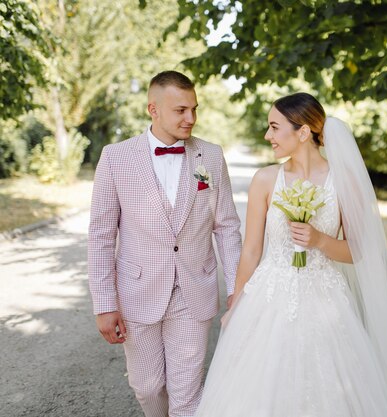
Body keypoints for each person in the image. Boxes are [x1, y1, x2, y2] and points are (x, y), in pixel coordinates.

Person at [194, 93, 387, 417]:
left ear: (303, 132)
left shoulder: (343, 181)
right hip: (268, 298)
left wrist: (319, 240)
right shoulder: (265, 180)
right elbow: (250, 251)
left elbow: (358, 251)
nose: (268, 136)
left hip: (326, 300)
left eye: (275, 128)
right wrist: (235, 303)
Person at [88, 70, 242, 417]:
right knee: (148, 387)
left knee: (187, 393)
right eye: (180, 110)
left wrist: (236, 287)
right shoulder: (116, 157)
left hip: (194, 291)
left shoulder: (211, 157)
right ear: (152, 109)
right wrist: (104, 303)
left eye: (194, 109)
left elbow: (227, 227)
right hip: (137, 293)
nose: (191, 118)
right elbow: (100, 236)